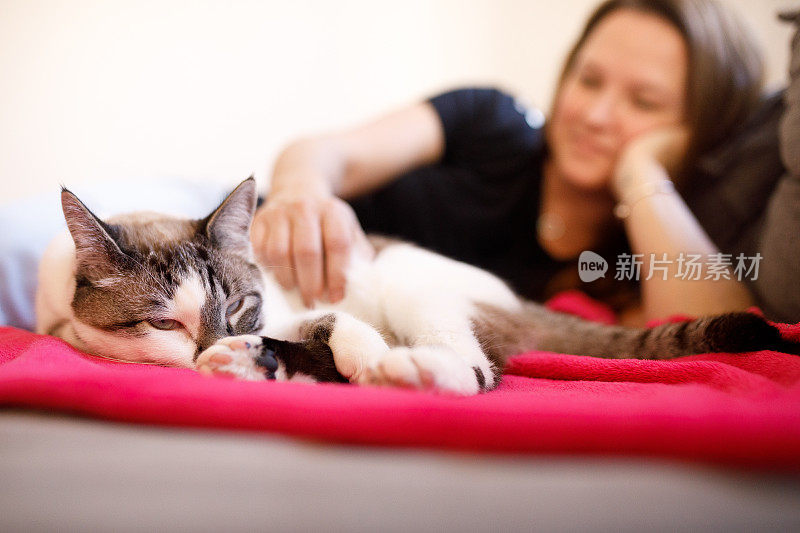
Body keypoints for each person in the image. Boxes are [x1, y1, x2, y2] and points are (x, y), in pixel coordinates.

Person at [250, 0, 800, 325]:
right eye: (588, 80)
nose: (596, 114)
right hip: (260, 274)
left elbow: (713, 334)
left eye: (644, 102)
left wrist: (642, 173)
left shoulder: (650, 251)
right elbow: (324, 153)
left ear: (696, 133)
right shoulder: (494, 122)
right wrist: (303, 192)